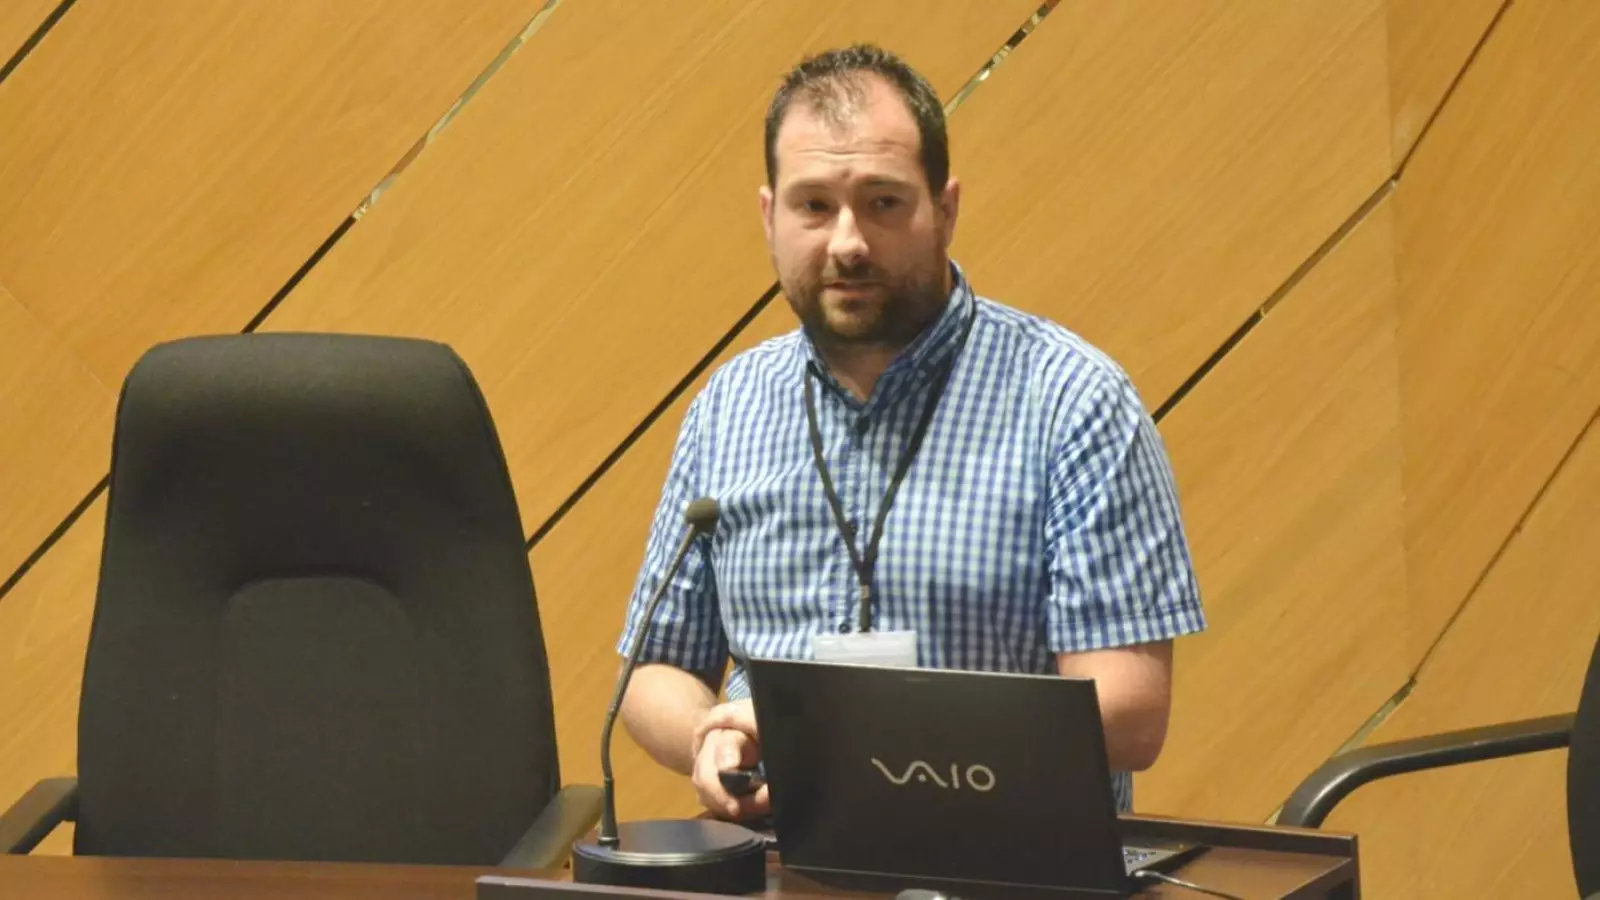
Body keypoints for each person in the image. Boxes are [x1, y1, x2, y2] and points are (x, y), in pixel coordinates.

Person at [613, 43, 1206, 822]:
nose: (847, 242)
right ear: (769, 217)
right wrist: (711, 732)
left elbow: (1129, 716)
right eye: (813, 205)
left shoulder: (1071, 401)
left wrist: (836, 732)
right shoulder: (728, 407)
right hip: (778, 853)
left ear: (945, 210)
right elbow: (652, 671)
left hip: (1009, 858)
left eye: (883, 203)